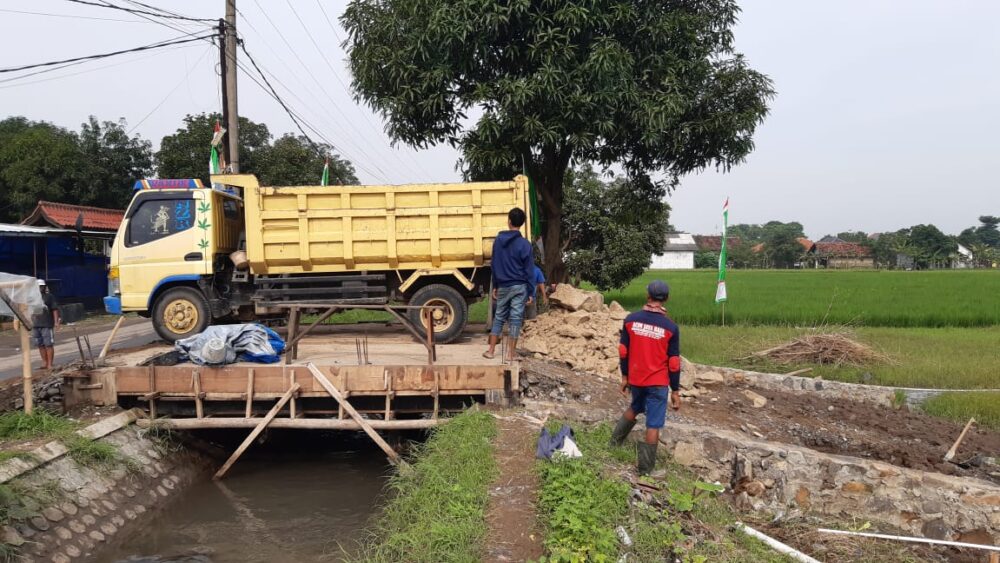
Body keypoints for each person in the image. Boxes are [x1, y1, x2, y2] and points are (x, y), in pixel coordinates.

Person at [609, 280, 681, 476]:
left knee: (635, 407)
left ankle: (613, 444)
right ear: (666, 298)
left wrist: (625, 376)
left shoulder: (631, 320)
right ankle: (646, 470)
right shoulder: (670, 327)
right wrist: (675, 391)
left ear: (647, 295)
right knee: (653, 424)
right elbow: (674, 363)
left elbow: (624, 351)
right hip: (657, 382)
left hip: (636, 379)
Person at [483, 208, 534, 361]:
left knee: (499, 317)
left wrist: (496, 285)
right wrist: (531, 292)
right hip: (520, 287)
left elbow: (495, 264)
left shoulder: (498, 241)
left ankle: (491, 351)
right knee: (515, 319)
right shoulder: (525, 245)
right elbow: (529, 270)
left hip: (503, 285)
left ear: (509, 221)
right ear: (522, 224)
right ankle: (511, 354)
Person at [31, 280, 60, 371]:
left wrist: (56, 322)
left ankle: (50, 364)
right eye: (39, 286)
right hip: (36, 325)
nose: (40, 288)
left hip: (47, 324)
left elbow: (54, 309)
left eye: (42, 286)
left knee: (48, 344)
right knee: (40, 344)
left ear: (44, 287)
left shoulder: (49, 297)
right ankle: (44, 362)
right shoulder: (32, 298)